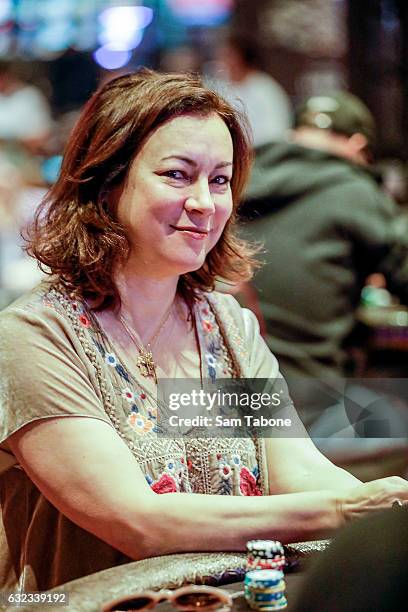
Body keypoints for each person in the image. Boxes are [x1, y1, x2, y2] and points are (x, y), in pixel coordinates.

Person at [0, 71, 407, 593]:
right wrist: (350, 509)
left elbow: (297, 471)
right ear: (106, 183)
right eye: (177, 175)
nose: (205, 203)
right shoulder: (35, 335)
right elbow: (137, 522)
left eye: (219, 180)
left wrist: (381, 517)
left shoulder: (226, 325)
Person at [239, 92, 408, 425]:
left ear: (293, 136)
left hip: (211, 396)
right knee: (396, 419)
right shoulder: (354, 188)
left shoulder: (234, 181)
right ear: (359, 147)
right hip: (304, 399)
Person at [210, 33, 293, 147]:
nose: (222, 61)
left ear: (241, 58)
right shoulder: (219, 86)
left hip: (261, 156)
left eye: (228, 55)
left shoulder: (265, 89)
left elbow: (275, 132)